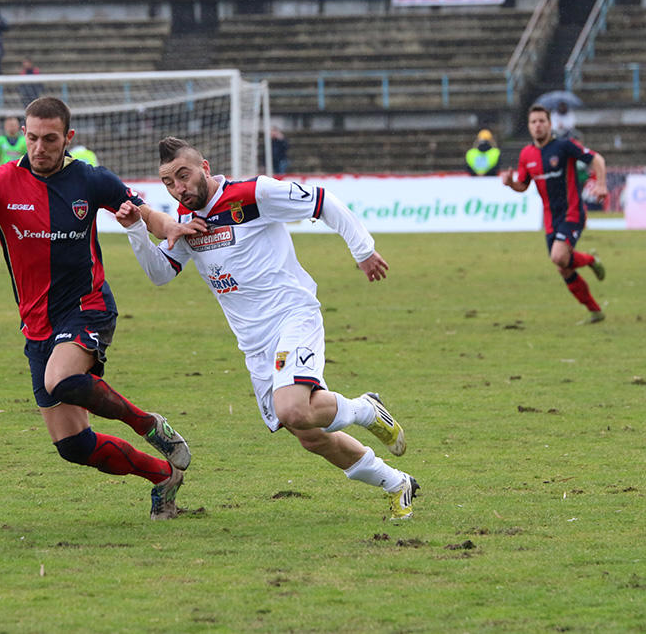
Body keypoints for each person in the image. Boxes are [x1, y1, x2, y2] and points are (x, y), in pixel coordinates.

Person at [0, 97, 201, 521]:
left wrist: (169, 226)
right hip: (37, 323)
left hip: (88, 306)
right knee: (73, 447)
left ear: (68, 139)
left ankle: (148, 425)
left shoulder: (90, 179)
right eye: (32, 138)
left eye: (50, 139)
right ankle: (162, 476)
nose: (39, 147)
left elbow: (142, 211)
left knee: (61, 379)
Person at [115, 136, 421, 521]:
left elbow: (324, 202)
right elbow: (160, 274)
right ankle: (396, 483)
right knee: (309, 436)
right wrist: (135, 231)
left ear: (204, 168)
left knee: (293, 408)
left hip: (293, 316)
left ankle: (365, 409)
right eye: (169, 182)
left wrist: (362, 251)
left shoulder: (253, 194)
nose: (179, 188)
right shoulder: (185, 221)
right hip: (255, 345)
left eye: (184, 175)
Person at [500, 104, 608, 324]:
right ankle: (595, 310)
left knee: (559, 257)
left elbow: (597, 159)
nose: (538, 126)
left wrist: (602, 185)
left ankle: (589, 261)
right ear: (529, 127)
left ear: (550, 124)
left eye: (542, 121)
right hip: (550, 219)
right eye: (533, 122)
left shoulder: (564, 146)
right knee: (564, 268)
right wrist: (511, 184)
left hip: (572, 212)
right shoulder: (526, 154)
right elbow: (523, 185)